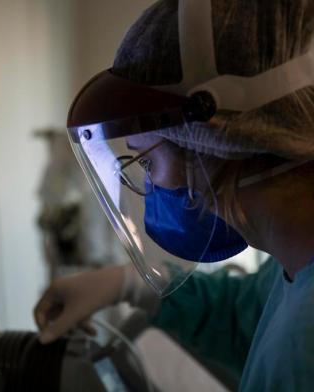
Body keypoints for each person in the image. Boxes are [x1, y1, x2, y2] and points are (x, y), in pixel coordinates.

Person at [34, 0, 314, 390]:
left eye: (148, 163)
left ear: (217, 142)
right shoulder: (294, 267)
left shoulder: (305, 346)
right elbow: (239, 313)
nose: (150, 187)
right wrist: (125, 285)